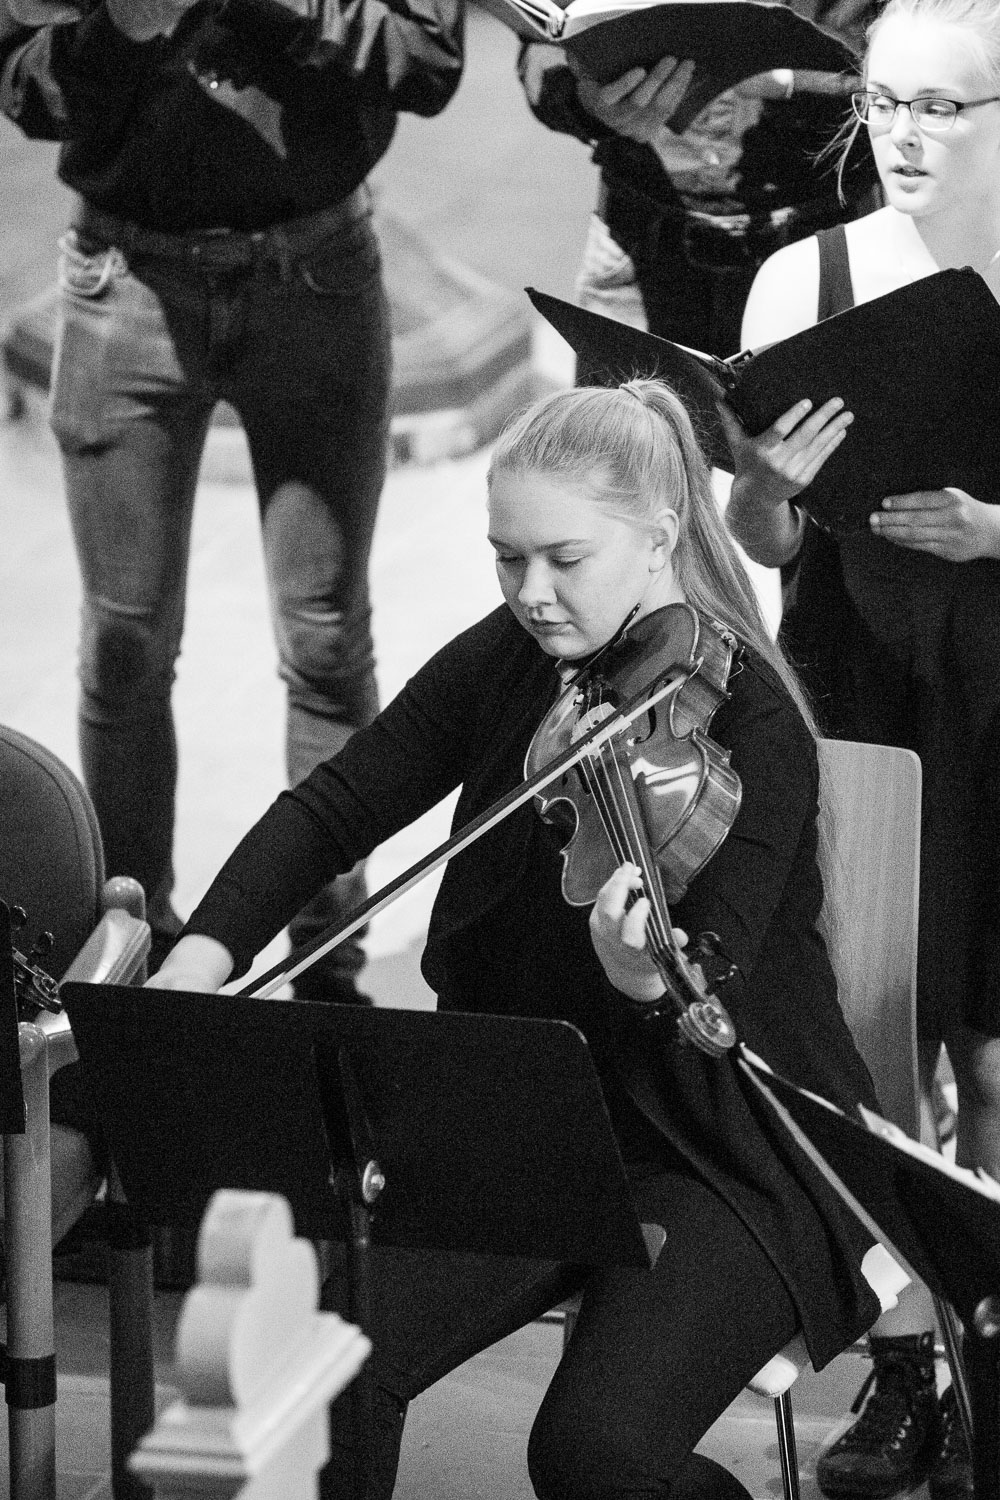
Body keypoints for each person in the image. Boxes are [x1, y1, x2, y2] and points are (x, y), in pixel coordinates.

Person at [150, 378, 887, 1499]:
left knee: (593, 1454)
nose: (531, 595)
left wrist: (641, 973)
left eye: (563, 560)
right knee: (314, 1370)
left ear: (660, 537)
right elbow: (337, 807)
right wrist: (203, 957)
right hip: (526, 1111)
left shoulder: (752, 724)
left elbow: (715, 974)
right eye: (507, 559)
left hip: (722, 1144)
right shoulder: (515, 659)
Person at [0, 0, 463, 996]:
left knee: (325, 640)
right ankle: (131, 971)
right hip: (124, 276)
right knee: (123, 647)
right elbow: (23, 81)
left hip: (317, 270)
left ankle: (327, 962)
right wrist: (124, 31)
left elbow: (426, 59)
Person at [724, 0, 1000, 1492]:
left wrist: (993, 531)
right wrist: (765, 486)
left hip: (998, 687)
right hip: (857, 692)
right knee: (872, 1041)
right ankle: (908, 1369)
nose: (902, 133)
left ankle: (994, 1351)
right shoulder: (804, 279)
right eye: (883, 102)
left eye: (942, 107)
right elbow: (760, 540)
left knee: (995, 1052)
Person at [517, 0, 881, 359]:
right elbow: (544, 38)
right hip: (636, 242)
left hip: (823, 248)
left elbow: (910, 77)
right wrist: (586, 103)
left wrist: (800, 78)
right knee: (618, 401)